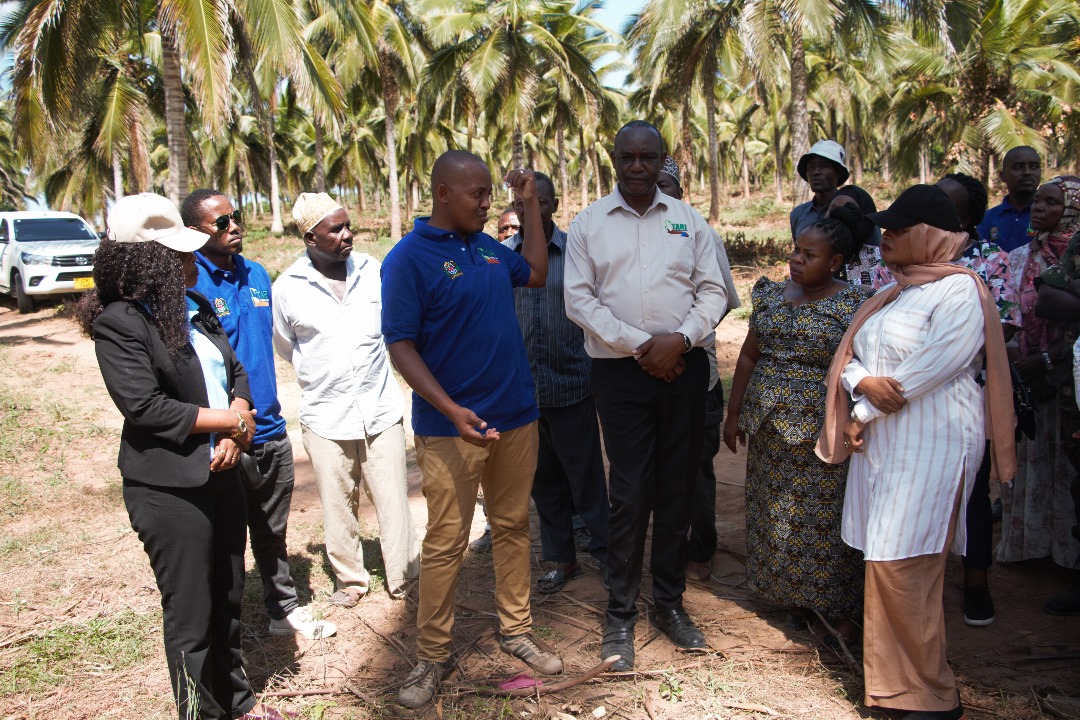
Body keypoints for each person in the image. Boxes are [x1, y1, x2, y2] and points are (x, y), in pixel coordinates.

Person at [76, 193, 290, 720]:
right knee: (192, 614)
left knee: (228, 597)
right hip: (170, 489)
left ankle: (237, 702)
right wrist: (231, 424)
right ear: (153, 262)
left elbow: (236, 372)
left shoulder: (195, 308)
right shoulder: (122, 323)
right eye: (182, 253)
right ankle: (200, 712)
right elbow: (146, 407)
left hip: (221, 472)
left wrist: (235, 427)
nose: (195, 260)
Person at [817, 184, 1016, 720]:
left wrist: (864, 409)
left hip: (932, 441)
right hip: (888, 445)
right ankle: (893, 688)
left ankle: (930, 694)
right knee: (884, 559)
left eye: (898, 229)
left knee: (906, 562)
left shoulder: (960, 293)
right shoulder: (896, 291)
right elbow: (854, 354)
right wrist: (861, 384)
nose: (885, 236)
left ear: (929, 236)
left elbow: (936, 364)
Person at [381, 152, 560, 709]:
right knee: (446, 542)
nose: (487, 203)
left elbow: (535, 271)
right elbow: (400, 346)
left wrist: (529, 203)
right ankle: (431, 656)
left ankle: (517, 630)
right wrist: (450, 408)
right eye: (477, 194)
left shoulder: (485, 247)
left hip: (516, 417)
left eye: (490, 194)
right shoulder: (407, 259)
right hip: (450, 428)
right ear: (441, 193)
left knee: (511, 526)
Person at [564, 120, 727, 671]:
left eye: (648, 157)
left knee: (677, 489)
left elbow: (714, 291)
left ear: (663, 160)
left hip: (683, 366)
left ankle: (669, 605)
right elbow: (579, 301)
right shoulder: (589, 224)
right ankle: (619, 615)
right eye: (628, 156)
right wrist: (644, 347)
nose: (638, 166)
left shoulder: (689, 221)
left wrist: (677, 341)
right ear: (613, 159)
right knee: (630, 494)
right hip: (621, 373)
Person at [181, 188, 336, 641]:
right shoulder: (192, 283)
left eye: (237, 216)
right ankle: (219, 628)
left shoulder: (257, 275)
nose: (235, 227)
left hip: (270, 426)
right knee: (224, 536)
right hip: (226, 434)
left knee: (272, 528)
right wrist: (229, 425)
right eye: (222, 222)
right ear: (195, 232)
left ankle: (281, 608)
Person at [724, 209, 871, 643]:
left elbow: (861, 365)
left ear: (836, 261)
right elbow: (749, 355)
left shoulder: (856, 303)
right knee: (774, 512)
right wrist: (734, 415)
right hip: (768, 423)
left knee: (823, 518)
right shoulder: (770, 294)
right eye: (795, 250)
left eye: (810, 254)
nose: (796, 260)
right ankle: (791, 599)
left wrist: (857, 419)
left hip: (823, 426)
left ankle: (836, 607)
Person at [272, 193, 419, 608]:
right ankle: (351, 580)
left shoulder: (374, 272)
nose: (347, 234)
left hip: (380, 408)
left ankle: (405, 578)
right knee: (338, 503)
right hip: (326, 414)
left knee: (393, 499)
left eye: (347, 225)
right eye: (334, 229)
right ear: (309, 237)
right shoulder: (288, 289)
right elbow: (286, 346)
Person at [504, 171, 609, 593]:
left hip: (571, 385)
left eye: (540, 202)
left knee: (585, 478)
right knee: (543, 480)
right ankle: (561, 559)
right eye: (523, 203)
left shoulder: (577, 254)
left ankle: (606, 552)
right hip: (525, 392)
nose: (532, 209)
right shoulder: (504, 257)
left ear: (553, 205)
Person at [935, 172, 1021, 627]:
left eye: (947, 204)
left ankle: (975, 581)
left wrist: (949, 352)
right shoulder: (915, 256)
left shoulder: (991, 260)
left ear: (969, 215)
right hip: (919, 393)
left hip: (973, 389)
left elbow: (1004, 327)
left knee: (973, 484)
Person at [657, 157, 741, 581]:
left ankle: (700, 546)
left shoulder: (699, 232)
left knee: (696, 466)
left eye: (666, 185)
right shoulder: (627, 235)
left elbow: (721, 298)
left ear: (680, 191)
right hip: (645, 368)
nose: (658, 192)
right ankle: (666, 543)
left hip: (696, 370)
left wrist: (685, 340)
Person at [998, 176, 1080, 572]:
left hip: (1069, 377)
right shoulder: (1018, 257)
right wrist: (1017, 361)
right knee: (1032, 458)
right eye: (1039, 201)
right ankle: (1033, 545)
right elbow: (1010, 315)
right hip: (1028, 374)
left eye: (1052, 202)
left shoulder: (1074, 258)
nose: (1040, 208)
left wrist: (1050, 358)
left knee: (1067, 464)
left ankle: (1067, 557)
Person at [977, 146, 1043, 253]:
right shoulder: (987, 220)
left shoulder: (1050, 216)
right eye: (1018, 167)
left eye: (1034, 167)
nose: (1027, 172)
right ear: (1003, 176)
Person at [827, 185, 887, 288]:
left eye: (848, 210)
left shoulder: (883, 264)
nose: (839, 215)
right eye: (833, 210)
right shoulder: (813, 255)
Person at [790, 140, 848, 242]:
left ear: (838, 171)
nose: (815, 172)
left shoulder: (853, 212)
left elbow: (873, 254)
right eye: (811, 167)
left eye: (823, 166)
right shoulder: (798, 214)